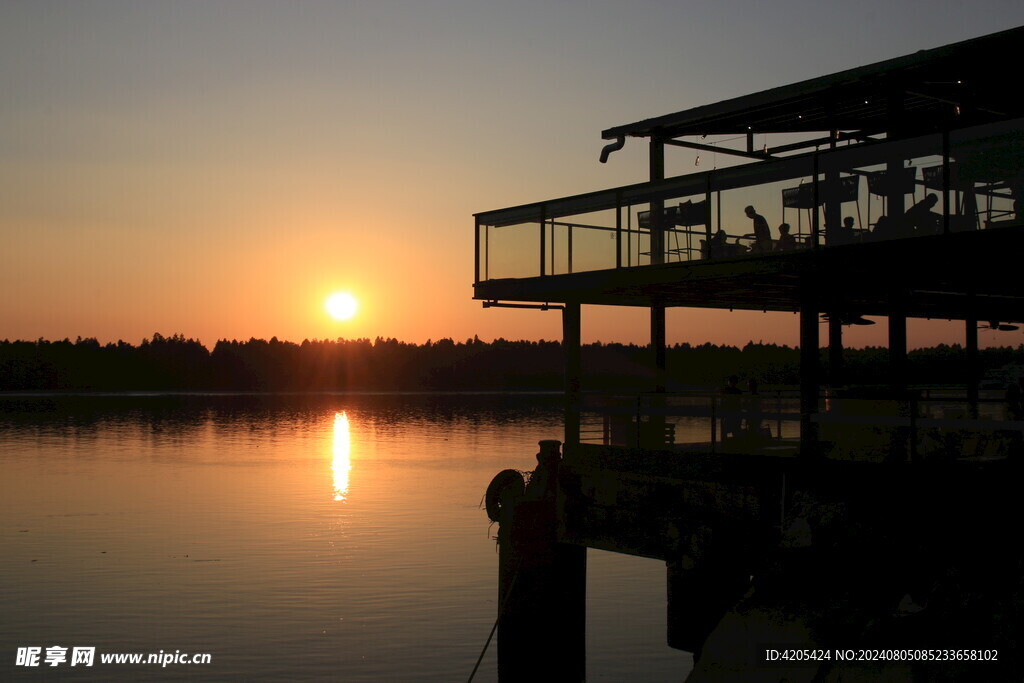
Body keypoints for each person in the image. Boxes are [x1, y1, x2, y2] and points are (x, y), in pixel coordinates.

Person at [720, 375, 743, 440]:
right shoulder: (738, 391)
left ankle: (726, 444)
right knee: (736, 430)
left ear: (730, 382)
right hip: (737, 413)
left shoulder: (726, 391)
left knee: (726, 430)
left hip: (729, 413)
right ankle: (735, 444)